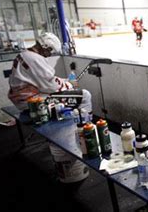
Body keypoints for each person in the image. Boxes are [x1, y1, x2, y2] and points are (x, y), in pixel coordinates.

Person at [7, 32, 93, 183]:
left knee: (68, 98)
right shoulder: (35, 59)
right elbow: (51, 86)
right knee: (84, 95)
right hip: (33, 102)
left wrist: (64, 81)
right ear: (44, 47)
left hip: (24, 99)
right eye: (49, 51)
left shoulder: (25, 54)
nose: (49, 55)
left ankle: (74, 125)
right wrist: (68, 84)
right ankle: (87, 128)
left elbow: (45, 80)